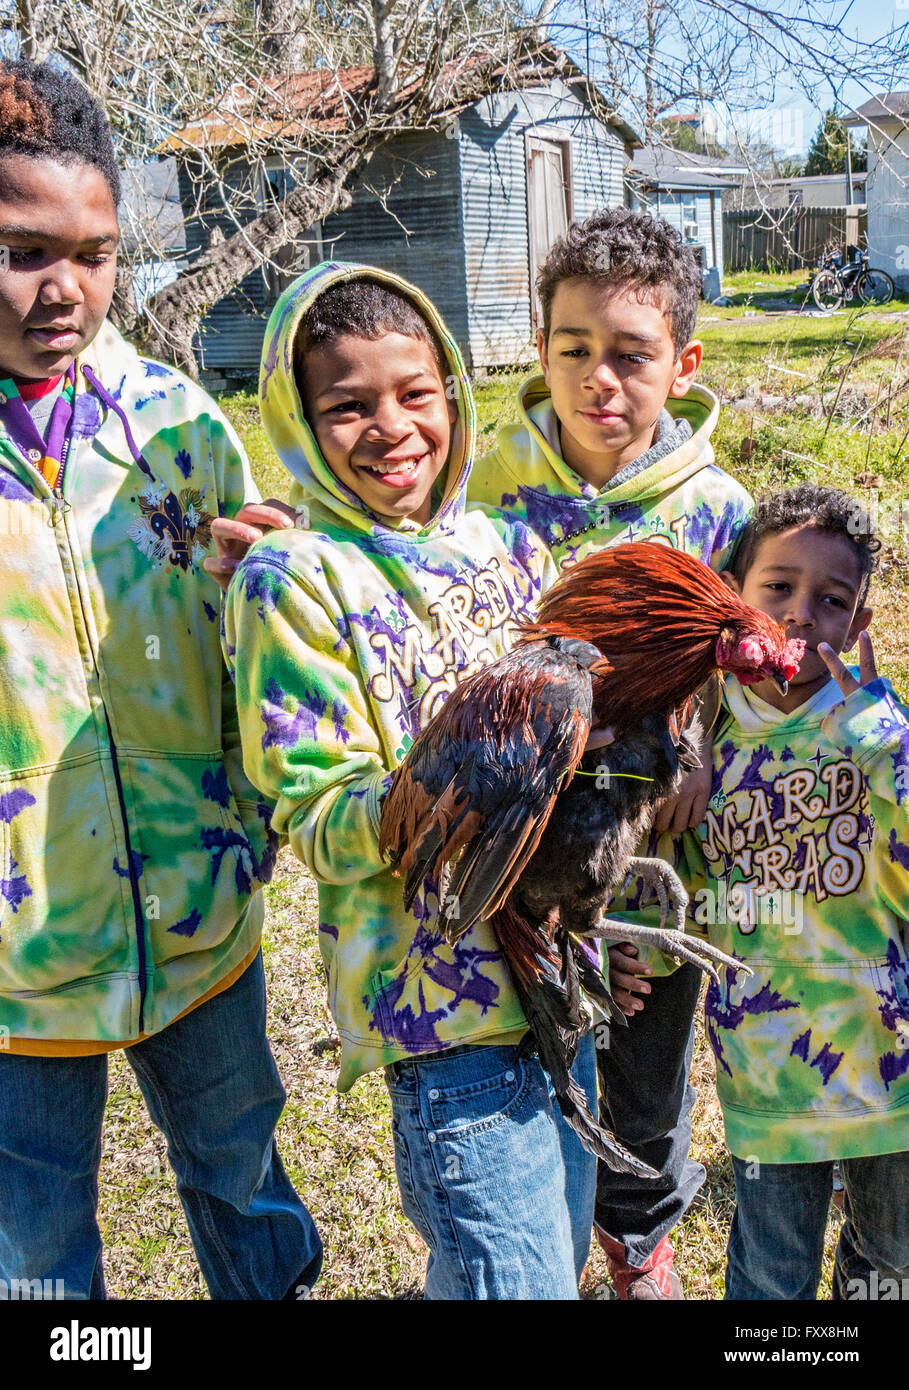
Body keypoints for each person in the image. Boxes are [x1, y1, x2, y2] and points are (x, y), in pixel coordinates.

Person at [0, 57, 320, 1300]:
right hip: (19, 966)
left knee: (246, 1183)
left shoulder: (179, 428)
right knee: (32, 1258)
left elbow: (264, 657)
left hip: (202, 921)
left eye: (96, 251)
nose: (65, 290)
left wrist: (277, 588)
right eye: (24, 251)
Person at [221, 259, 603, 1299]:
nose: (390, 426)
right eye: (347, 405)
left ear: (452, 392)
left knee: (550, 1264)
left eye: (414, 394)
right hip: (446, 1016)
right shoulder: (294, 580)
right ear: (298, 420)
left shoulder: (508, 543)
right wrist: (438, 794)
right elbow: (316, 813)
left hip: (561, 990)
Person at [470, 207, 753, 1298]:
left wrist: (697, 746)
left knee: (647, 1042)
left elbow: (754, 660)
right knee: (539, 1034)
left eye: (631, 355)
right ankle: (540, 1216)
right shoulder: (486, 494)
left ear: (681, 365)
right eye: (574, 349)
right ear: (539, 350)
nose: (600, 379)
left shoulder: (720, 511)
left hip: (660, 854)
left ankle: (638, 1239)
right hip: (525, 848)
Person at [620, 484, 909, 1300]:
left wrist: (880, 744)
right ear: (733, 600)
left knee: (892, 1259)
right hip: (766, 1073)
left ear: (857, 625)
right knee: (768, 1278)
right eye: (776, 587)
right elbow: (682, 890)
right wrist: (638, 947)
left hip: (887, 1073)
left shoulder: (878, 730)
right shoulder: (701, 750)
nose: (799, 613)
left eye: (831, 599)